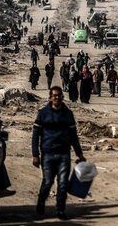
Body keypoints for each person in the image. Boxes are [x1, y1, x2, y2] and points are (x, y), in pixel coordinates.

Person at [32, 86, 86, 220]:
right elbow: (35, 135)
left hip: (64, 154)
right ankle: (41, 201)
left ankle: (60, 210)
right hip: (48, 153)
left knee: (63, 183)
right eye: (54, 95)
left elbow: (74, 136)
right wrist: (35, 154)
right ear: (50, 98)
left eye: (59, 95)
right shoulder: (43, 113)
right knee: (47, 182)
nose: (57, 98)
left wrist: (79, 154)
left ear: (62, 97)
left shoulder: (68, 114)